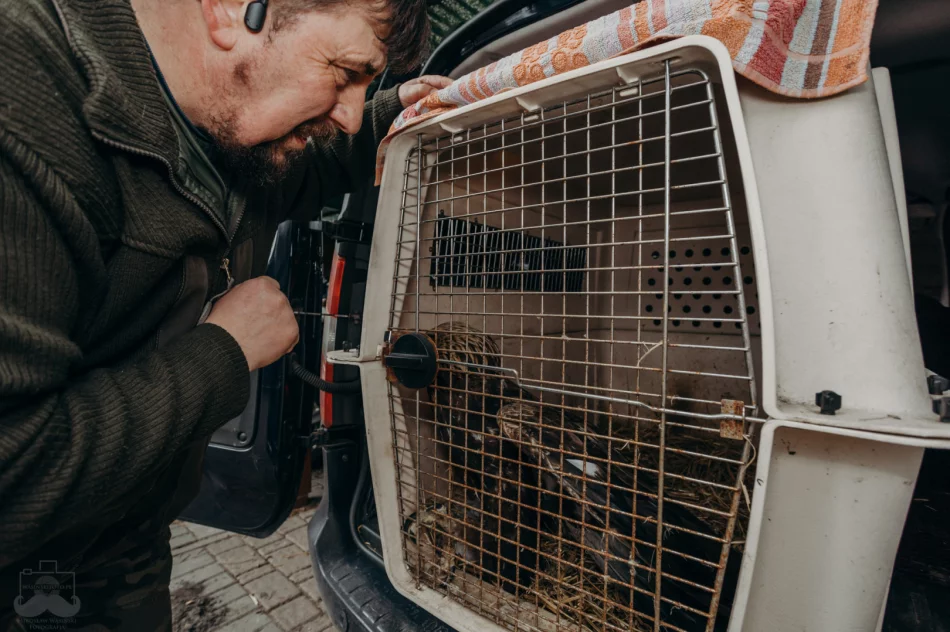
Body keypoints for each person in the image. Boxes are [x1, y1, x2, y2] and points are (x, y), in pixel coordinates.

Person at [0, 0, 450, 628]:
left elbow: (324, 159)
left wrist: (397, 110)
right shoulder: (25, 101)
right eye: (345, 71)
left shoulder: (228, 119)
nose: (349, 115)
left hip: (123, 539)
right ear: (232, 9)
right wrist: (225, 351)